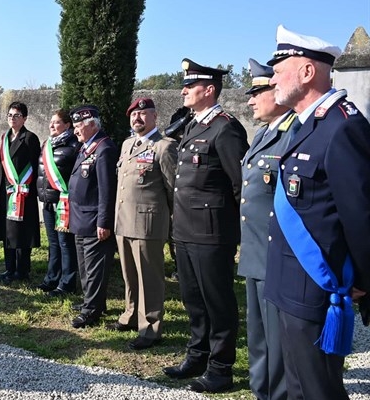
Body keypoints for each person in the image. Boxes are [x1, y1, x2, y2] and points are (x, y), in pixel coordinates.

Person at [264, 25, 370, 400]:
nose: (272, 75)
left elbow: (360, 216)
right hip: (289, 284)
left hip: (315, 288)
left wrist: (362, 279)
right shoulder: (308, 124)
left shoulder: (343, 127)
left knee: (318, 391)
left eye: (280, 67)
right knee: (297, 389)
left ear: (307, 72)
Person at [163, 59, 248, 393]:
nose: (183, 90)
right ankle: (197, 355)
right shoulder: (194, 125)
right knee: (193, 299)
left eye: (190, 85)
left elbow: (240, 185)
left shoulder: (225, 128)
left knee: (218, 301)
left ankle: (221, 367)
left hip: (212, 233)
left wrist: (237, 233)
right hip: (185, 229)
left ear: (209, 90)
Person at [238, 58, 293, 400]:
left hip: (277, 255)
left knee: (278, 342)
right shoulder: (263, 134)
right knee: (258, 338)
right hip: (256, 252)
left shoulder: (294, 134)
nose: (250, 100)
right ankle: (262, 393)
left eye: (257, 92)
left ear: (277, 91)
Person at [111, 98, 178, 350]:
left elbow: (173, 190)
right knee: (129, 275)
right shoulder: (128, 144)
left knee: (149, 278)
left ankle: (150, 327)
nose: (137, 118)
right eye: (133, 115)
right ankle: (130, 315)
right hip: (124, 221)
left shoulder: (164, 147)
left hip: (148, 224)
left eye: (142, 114)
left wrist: (172, 223)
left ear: (154, 116)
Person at [67, 105, 117, 329]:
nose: (75, 130)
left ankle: (92, 311)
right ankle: (92, 301)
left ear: (92, 125)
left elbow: (107, 190)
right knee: (85, 266)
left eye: (78, 126)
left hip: (95, 219)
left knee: (95, 267)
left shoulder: (104, 148)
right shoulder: (86, 147)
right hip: (80, 218)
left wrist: (104, 221)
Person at [0, 101, 40, 284]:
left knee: (21, 232)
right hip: (7, 192)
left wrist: (29, 189)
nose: (12, 118)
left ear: (25, 118)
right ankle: (9, 268)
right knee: (8, 231)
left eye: (17, 115)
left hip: (24, 194)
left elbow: (35, 167)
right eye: (10, 115)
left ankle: (22, 270)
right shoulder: (5, 138)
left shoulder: (30, 138)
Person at [36, 109, 81, 297]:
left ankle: (67, 283)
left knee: (65, 243)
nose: (51, 125)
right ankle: (52, 278)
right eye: (51, 122)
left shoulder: (74, 144)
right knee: (53, 242)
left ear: (67, 125)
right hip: (47, 200)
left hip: (64, 202)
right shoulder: (47, 144)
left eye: (56, 122)